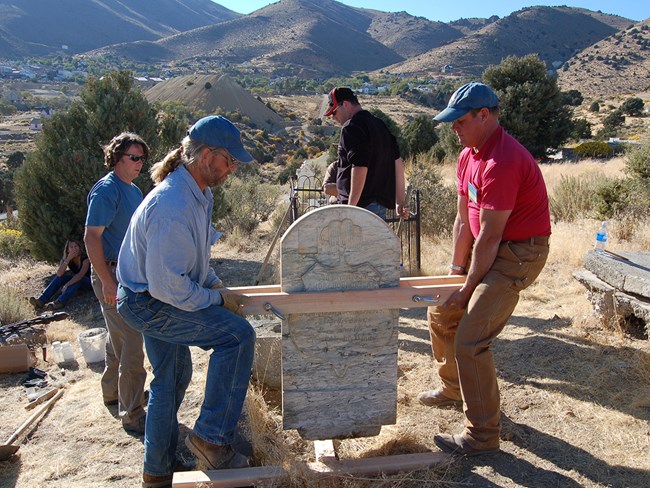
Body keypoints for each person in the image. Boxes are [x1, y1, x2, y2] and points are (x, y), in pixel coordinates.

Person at [115, 116, 256, 488]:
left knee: (172, 378)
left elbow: (195, 262)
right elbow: (170, 289)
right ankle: (211, 440)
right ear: (207, 155)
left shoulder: (198, 194)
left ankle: (156, 471)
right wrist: (216, 299)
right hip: (147, 300)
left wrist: (218, 287)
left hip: (152, 293)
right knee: (237, 337)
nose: (232, 170)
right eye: (230, 161)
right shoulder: (173, 204)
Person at [419, 82, 551, 456]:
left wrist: (469, 286)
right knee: (441, 311)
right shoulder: (468, 156)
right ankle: (453, 389)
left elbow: (492, 237)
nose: (454, 129)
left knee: (472, 338)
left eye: (460, 121)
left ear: (485, 115)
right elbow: (464, 221)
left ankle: (482, 436)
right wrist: (455, 271)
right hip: (489, 247)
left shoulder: (503, 161)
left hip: (518, 254)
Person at [84, 132, 149, 435]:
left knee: (118, 339)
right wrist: (108, 282)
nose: (139, 163)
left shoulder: (132, 190)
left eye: (141, 158)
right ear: (117, 158)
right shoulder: (107, 191)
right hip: (112, 276)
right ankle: (133, 414)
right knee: (132, 345)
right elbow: (91, 237)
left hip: (127, 274)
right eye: (133, 157)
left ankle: (113, 392)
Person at [324, 87, 408, 220]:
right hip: (379, 206)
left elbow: (360, 167)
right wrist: (400, 201)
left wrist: (351, 209)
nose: (334, 118)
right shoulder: (380, 125)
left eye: (334, 112)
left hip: (360, 209)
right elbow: (397, 161)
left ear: (345, 104)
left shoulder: (351, 128)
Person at [29, 239, 92, 311]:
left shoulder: (85, 258)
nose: (74, 249)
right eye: (71, 247)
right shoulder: (66, 259)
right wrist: (68, 259)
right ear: (67, 250)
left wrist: (66, 285)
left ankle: (60, 302)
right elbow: (59, 274)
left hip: (89, 282)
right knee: (61, 278)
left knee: (79, 278)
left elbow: (80, 275)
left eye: (76, 246)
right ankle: (41, 300)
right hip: (76, 282)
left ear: (79, 247)